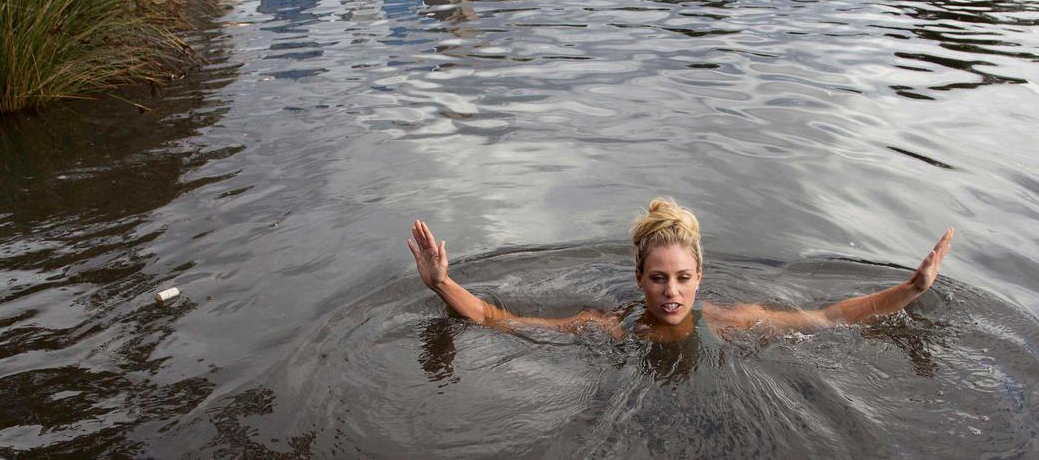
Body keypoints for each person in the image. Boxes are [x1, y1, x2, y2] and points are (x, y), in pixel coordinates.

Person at [408, 198, 954, 343]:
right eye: (659, 278)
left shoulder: (732, 322)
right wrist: (441, 283)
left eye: (683, 278)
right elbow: (500, 319)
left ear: (700, 277)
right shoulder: (610, 327)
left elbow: (831, 316)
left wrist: (911, 288)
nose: (672, 292)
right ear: (639, 279)